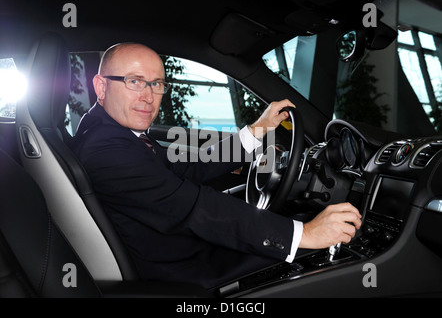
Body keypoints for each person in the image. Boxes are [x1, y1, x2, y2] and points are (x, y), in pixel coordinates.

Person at [70, 42, 361, 289]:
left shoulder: (113, 132)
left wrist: (257, 129)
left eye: (156, 84)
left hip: (178, 249)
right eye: (134, 82)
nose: (148, 96)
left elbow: (186, 169)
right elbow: (196, 207)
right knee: (319, 257)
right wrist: (305, 233)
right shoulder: (107, 149)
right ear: (101, 86)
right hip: (181, 273)